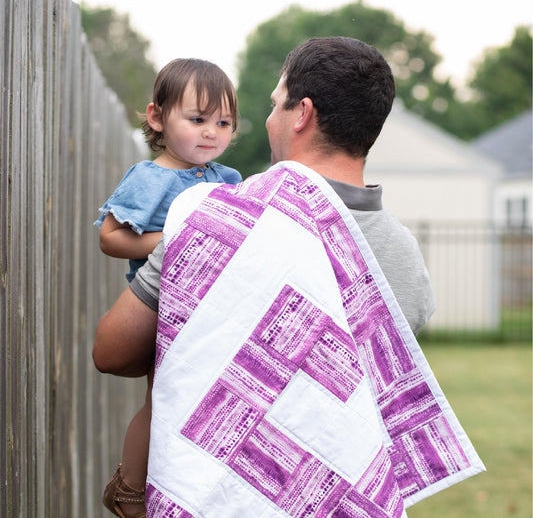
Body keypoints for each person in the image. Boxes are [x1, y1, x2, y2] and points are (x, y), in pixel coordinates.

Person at [94, 38, 483, 517]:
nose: (268, 119)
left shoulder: (225, 217)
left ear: (302, 113)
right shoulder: (405, 260)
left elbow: (111, 352)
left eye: (276, 104)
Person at [94, 58, 242, 518]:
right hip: (163, 309)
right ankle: (130, 489)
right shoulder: (151, 178)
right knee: (162, 400)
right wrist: (178, 234)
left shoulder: (229, 180)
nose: (211, 132)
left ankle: (186, 490)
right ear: (157, 117)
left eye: (223, 123)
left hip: (213, 313)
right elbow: (110, 237)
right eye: (197, 119)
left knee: (207, 405)